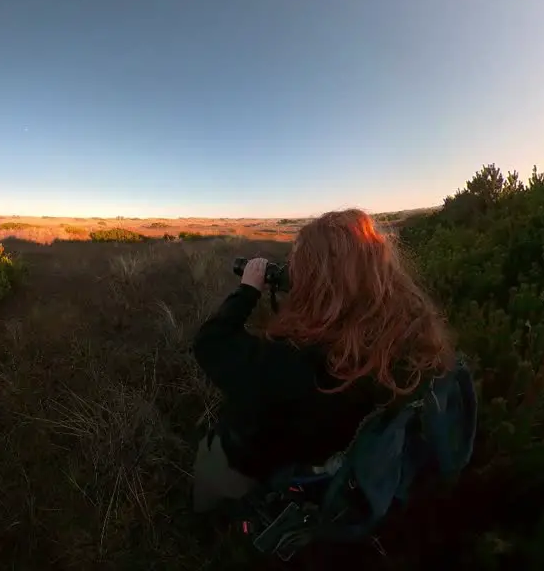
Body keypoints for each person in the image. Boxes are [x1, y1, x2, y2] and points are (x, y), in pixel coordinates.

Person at [190, 208, 456, 515]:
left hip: (266, 472)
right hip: (342, 476)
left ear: (317, 285)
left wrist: (248, 290)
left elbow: (210, 343)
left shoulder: (289, 365)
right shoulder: (406, 344)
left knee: (214, 466)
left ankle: (213, 528)